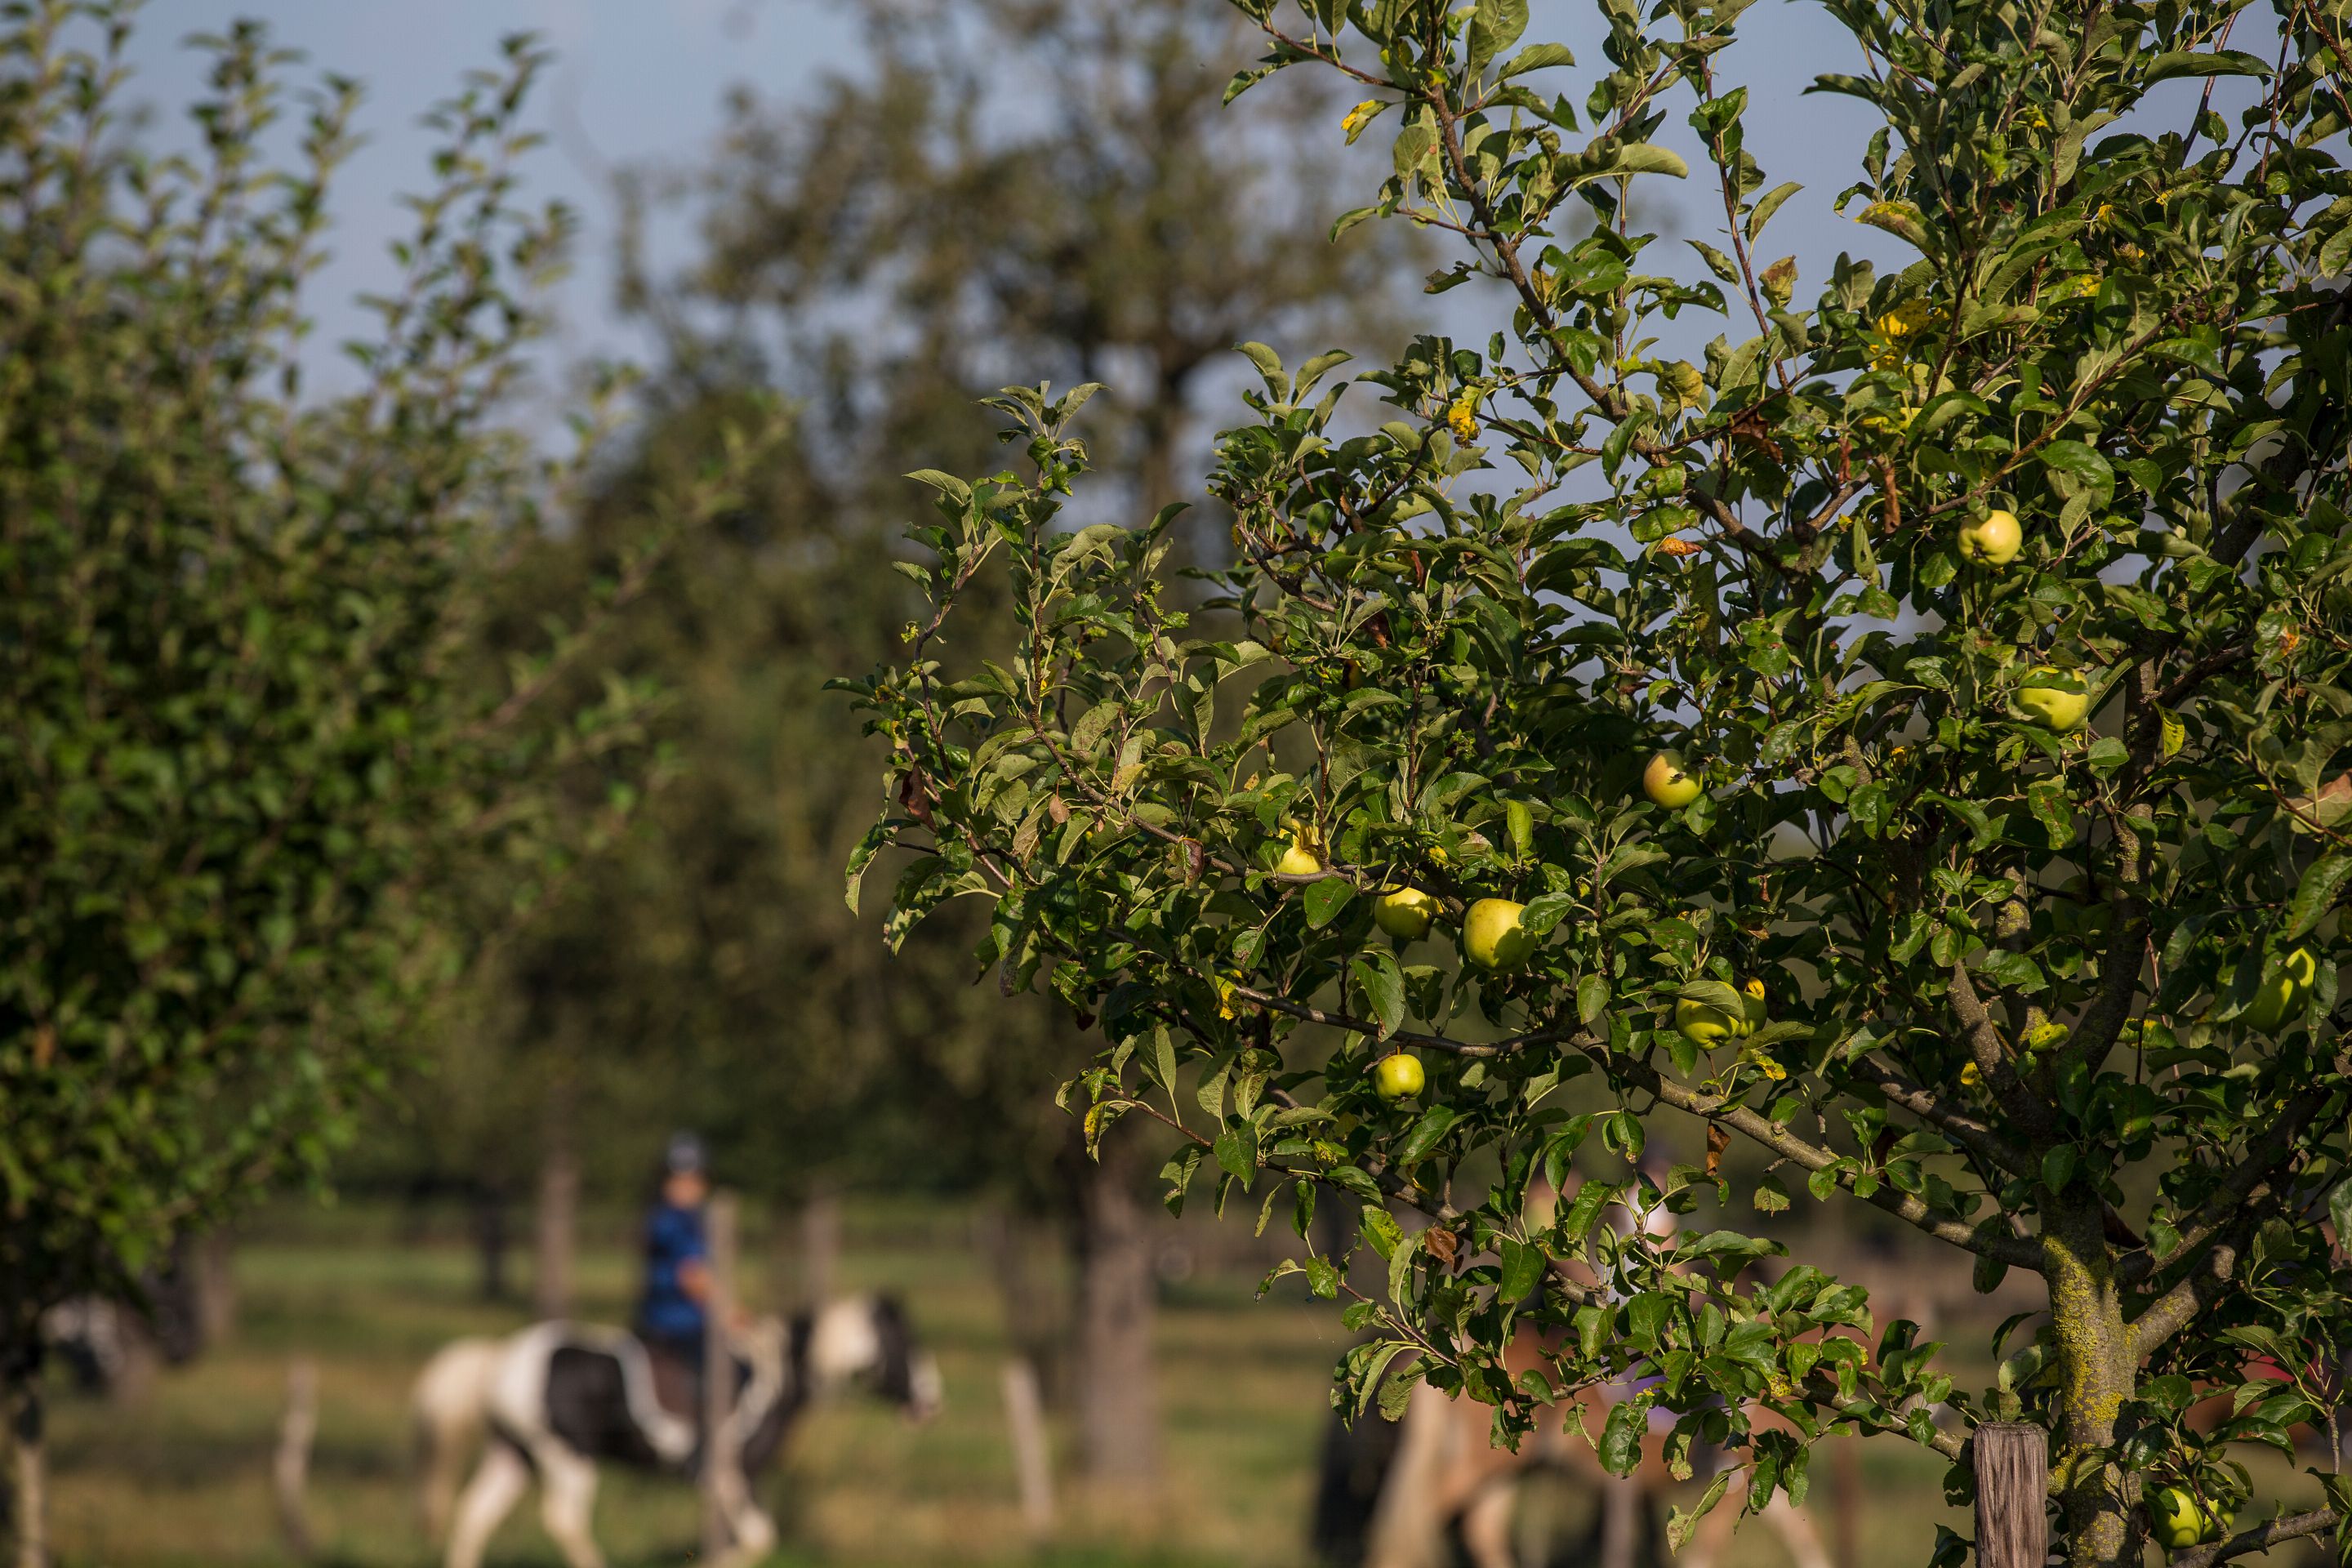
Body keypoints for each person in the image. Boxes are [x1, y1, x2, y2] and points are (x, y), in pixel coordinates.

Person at [635, 1132, 714, 1370]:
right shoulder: (673, 1222)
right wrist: (731, 1314)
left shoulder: (679, 1218)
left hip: (668, 1325)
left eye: (692, 1179)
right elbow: (692, 1277)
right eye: (678, 1180)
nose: (685, 1188)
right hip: (677, 1330)